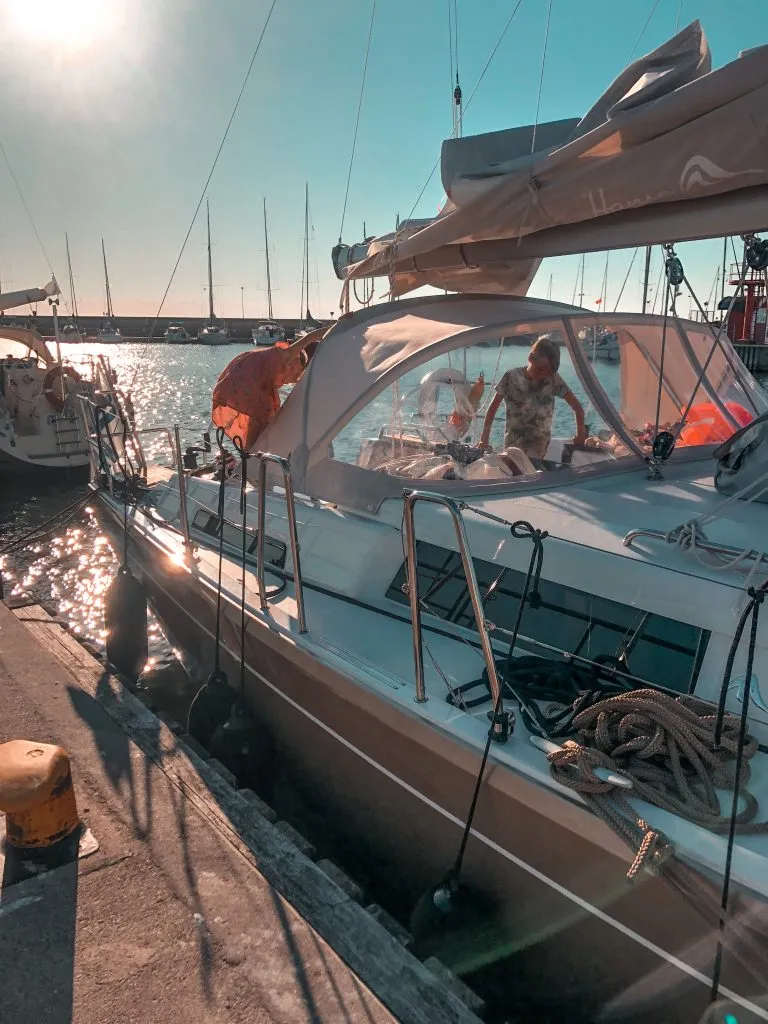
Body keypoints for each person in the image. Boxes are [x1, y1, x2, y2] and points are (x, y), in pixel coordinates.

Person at [211, 325, 324, 450]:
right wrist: (335, 326)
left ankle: (249, 454)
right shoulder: (289, 355)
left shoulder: (293, 364)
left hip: (247, 378)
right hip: (247, 379)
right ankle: (251, 455)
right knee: (263, 416)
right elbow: (310, 337)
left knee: (260, 419)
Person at [479, 335, 586, 459]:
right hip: (513, 442)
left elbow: (577, 407)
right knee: (511, 464)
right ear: (530, 358)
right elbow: (492, 409)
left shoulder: (553, 380)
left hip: (539, 444)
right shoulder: (511, 376)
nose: (543, 375)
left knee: (530, 460)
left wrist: (581, 435)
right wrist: (484, 439)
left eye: (548, 372)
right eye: (540, 369)